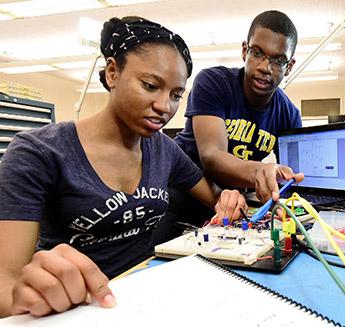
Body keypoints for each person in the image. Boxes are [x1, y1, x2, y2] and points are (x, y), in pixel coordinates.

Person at [0, 16, 247, 318]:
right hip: (79, 308)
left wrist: (228, 198)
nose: (165, 106)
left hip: (147, 296)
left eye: (176, 95)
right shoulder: (38, 153)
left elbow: (215, 197)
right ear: (113, 72)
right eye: (150, 86)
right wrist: (30, 293)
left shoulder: (164, 149)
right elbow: (5, 285)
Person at [153, 10, 305, 243]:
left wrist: (280, 190)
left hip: (232, 203)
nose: (266, 67)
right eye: (257, 53)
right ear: (245, 50)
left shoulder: (289, 114)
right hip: (182, 193)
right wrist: (259, 172)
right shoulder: (213, 82)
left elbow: (289, 183)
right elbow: (212, 157)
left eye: (278, 60)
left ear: (290, 65)